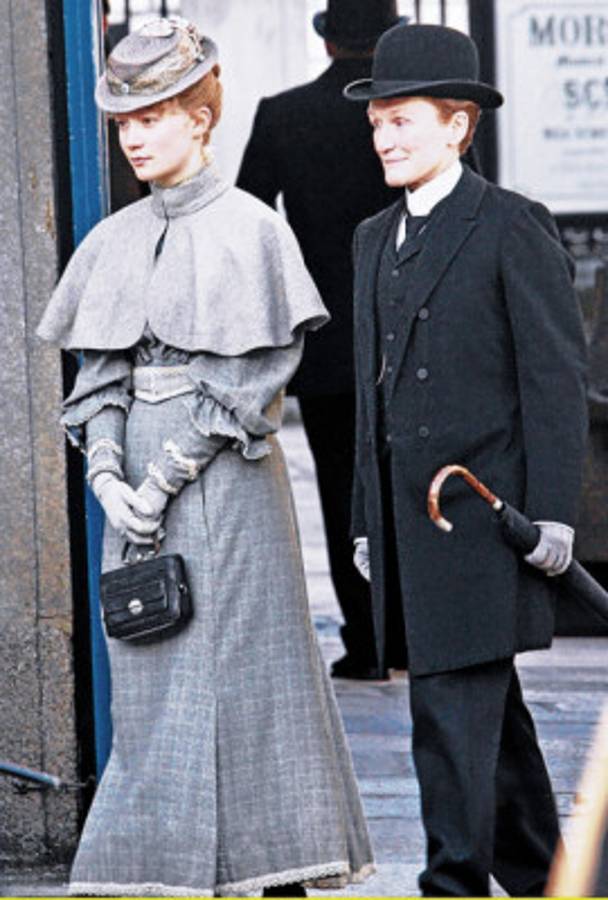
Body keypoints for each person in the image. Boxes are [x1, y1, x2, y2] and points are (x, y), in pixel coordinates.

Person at [38, 17, 374, 897]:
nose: (134, 136)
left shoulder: (253, 229)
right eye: (125, 121)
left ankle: (276, 866)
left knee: (253, 677)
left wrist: (162, 478)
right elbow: (97, 376)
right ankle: (164, 869)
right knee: (153, 681)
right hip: (131, 496)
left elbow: (252, 377)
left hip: (227, 484)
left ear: (200, 117)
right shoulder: (112, 240)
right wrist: (107, 477)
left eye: (153, 116)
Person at [344, 23, 588, 897]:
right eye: (377, 123)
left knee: (446, 715)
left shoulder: (511, 225)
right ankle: (549, 879)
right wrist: (365, 522)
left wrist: (553, 514)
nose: (385, 138)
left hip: (484, 523)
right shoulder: (372, 237)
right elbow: (371, 397)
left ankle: (450, 884)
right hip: (408, 525)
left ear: (458, 126)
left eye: (403, 120)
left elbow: (554, 380)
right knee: (489, 718)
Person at [237, 0, 405, 680]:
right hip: (410, 332)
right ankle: (414, 637)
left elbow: (249, 219)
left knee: (342, 492)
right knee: (415, 486)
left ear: (328, 41)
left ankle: (367, 643)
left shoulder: (283, 114)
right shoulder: (411, 118)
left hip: (328, 337)